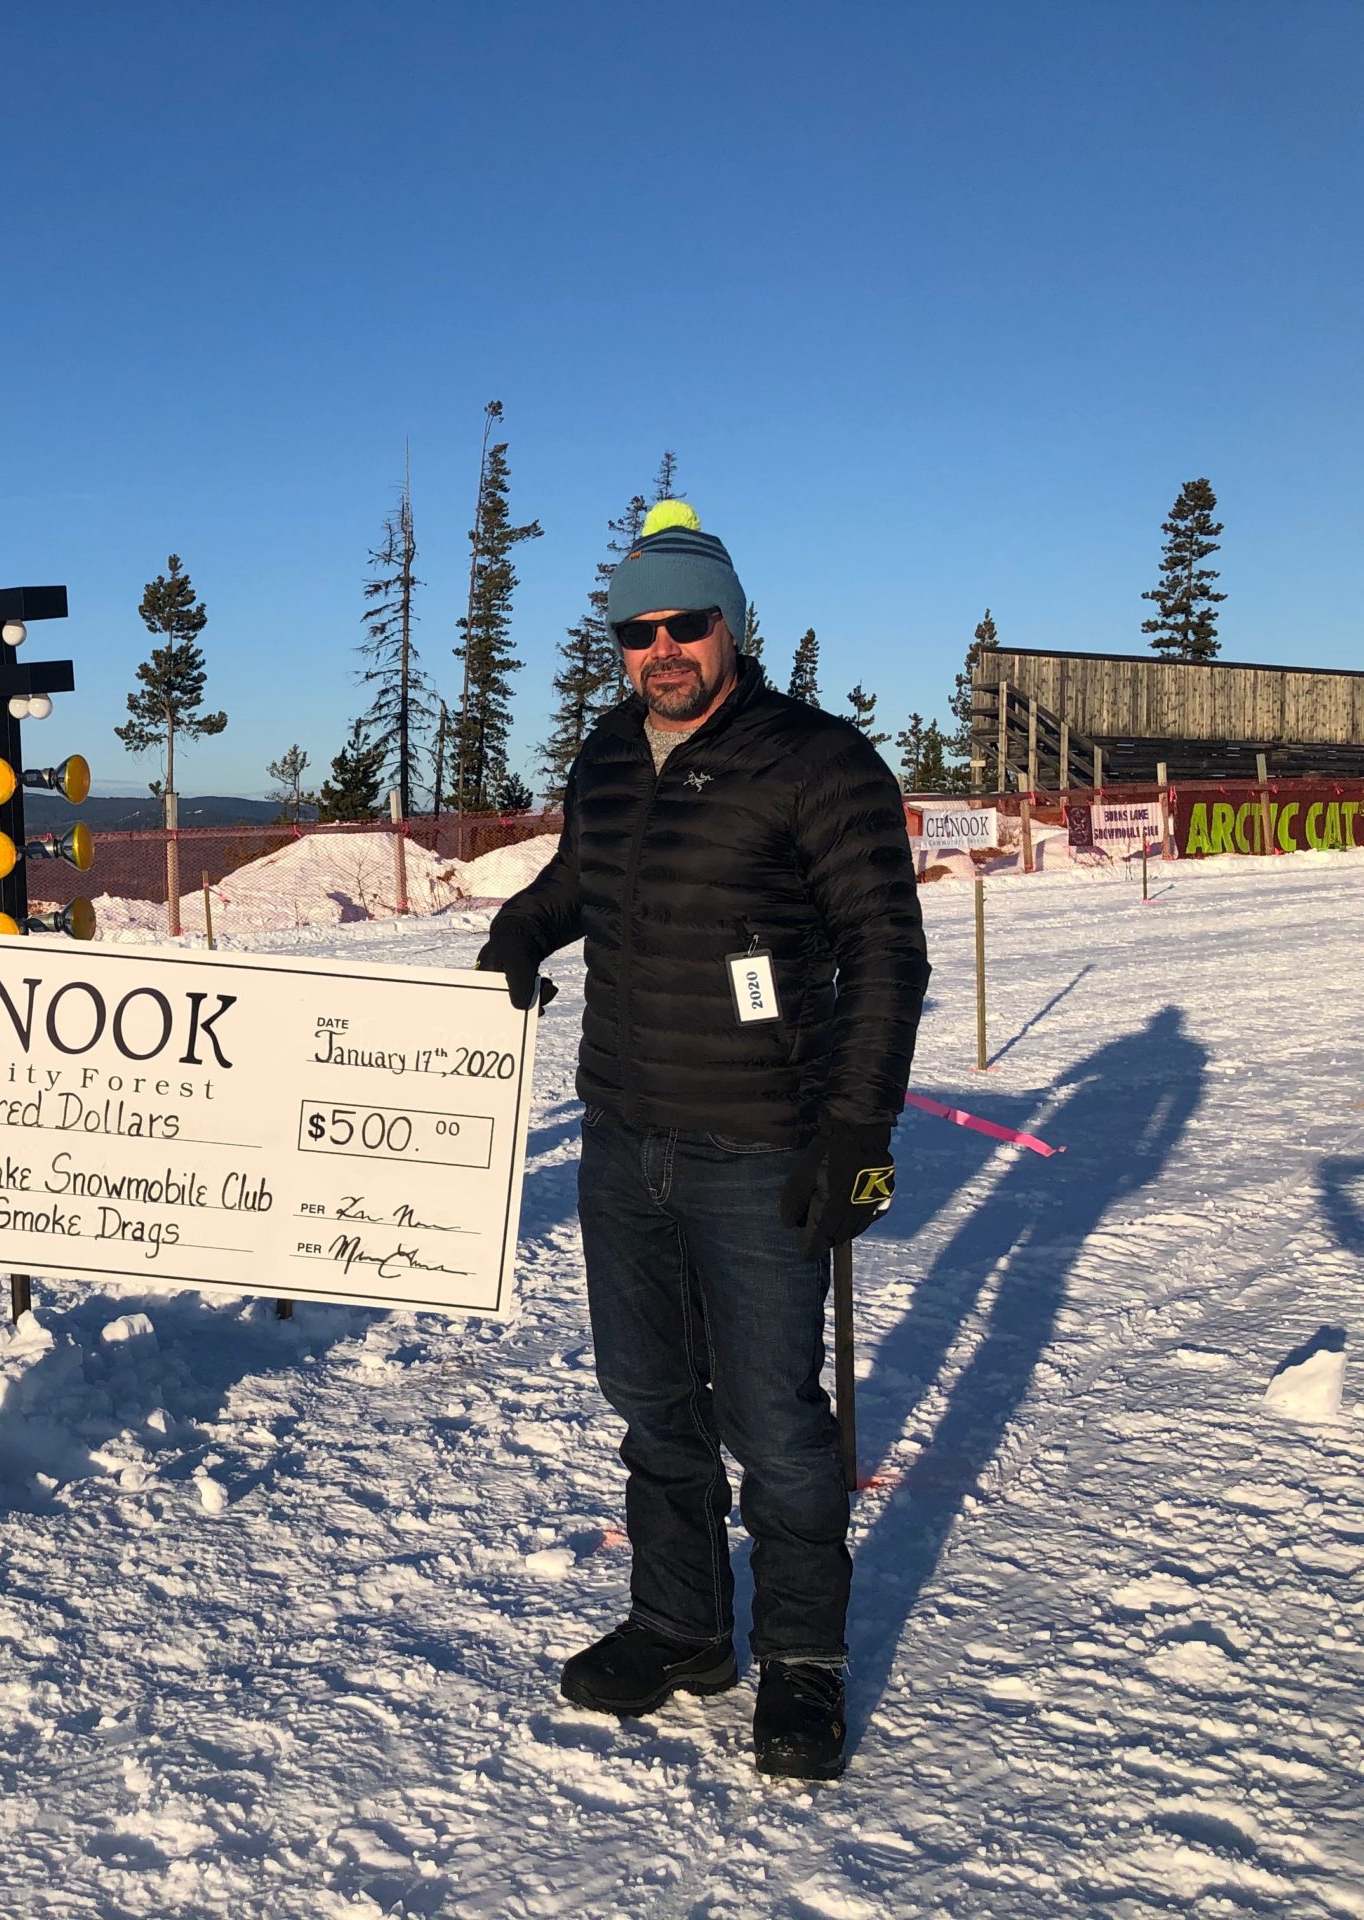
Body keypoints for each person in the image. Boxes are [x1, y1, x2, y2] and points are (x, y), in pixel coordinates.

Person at [478, 500, 927, 1778]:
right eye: (638, 628)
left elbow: (885, 955)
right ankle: (680, 1626)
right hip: (624, 1136)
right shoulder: (613, 753)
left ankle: (802, 1663)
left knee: (778, 1426)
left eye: (686, 624)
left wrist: (858, 1129)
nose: (661, 647)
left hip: (757, 1145)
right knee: (650, 1403)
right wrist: (522, 929)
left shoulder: (817, 761)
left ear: (731, 626)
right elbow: (586, 876)